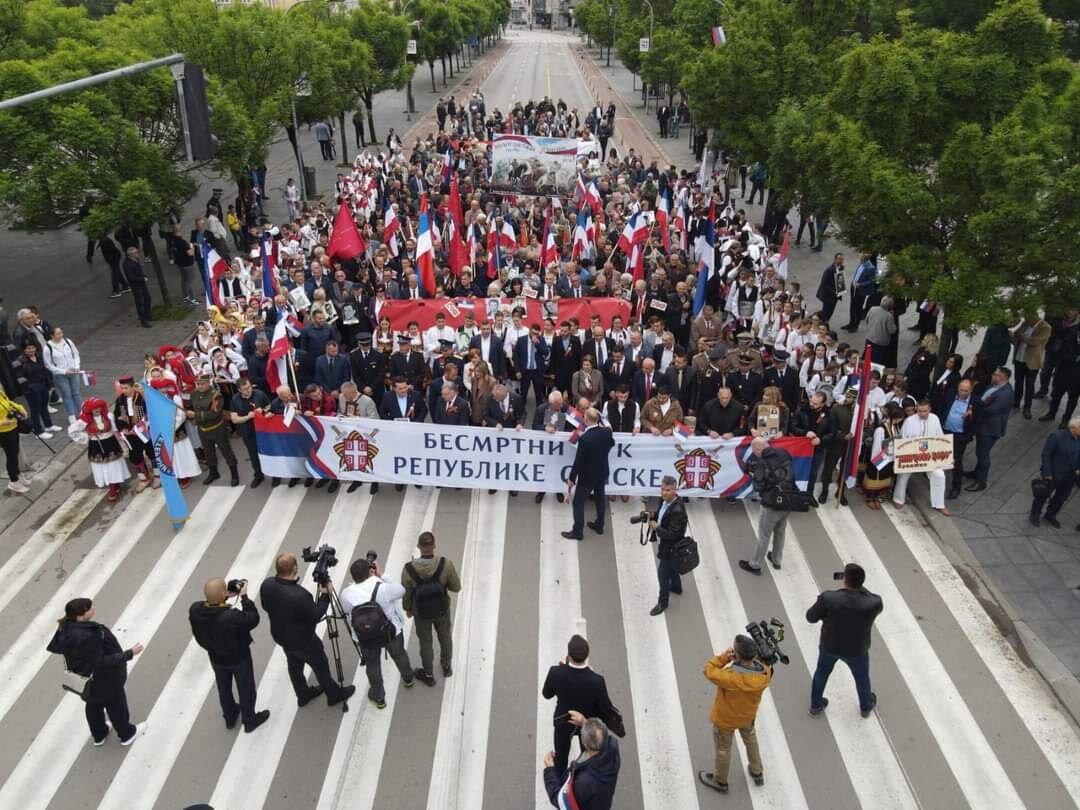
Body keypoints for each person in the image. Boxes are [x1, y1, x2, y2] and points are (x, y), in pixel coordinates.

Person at [259, 553, 355, 708]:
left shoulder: (267, 584)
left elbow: (265, 606)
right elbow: (316, 615)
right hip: (304, 640)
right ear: (295, 568)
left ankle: (302, 695)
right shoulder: (299, 595)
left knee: (294, 666)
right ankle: (334, 694)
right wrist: (325, 595)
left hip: (281, 636)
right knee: (320, 665)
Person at [46, 597, 145, 746]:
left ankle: (99, 734)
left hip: (84, 677)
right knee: (116, 704)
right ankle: (127, 734)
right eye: (90, 608)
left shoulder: (66, 628)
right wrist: (129, 654)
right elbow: (100, 661)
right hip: (104, 678)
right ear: (80, 615)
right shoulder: (88, 635)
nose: (93, 609)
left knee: (93, 704)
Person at [189, 577, 270, 733]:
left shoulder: (195, 610)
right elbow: (253, 618)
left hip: (216, 657)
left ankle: (230, 716)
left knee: (223, 687)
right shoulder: (230, 617)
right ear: (222, 594)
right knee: (246, 688)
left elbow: (212, 604)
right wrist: (244, 597)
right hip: (238, 657)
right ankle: (249, 720)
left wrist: (224, 596)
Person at [807, 562, 883, 718]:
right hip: (857, 650)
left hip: (830, 646)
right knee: (862, 678)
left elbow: (810, 617)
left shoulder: (828, 598)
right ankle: (865, 707)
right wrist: (857, 586)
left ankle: (815, 705)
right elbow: (867, 597)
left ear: (845, 580)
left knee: (822, 673)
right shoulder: (874, 602)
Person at [698, 634, 772, 794]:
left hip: (726, 720)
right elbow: (761, 662)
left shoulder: (731, 678)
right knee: (751, 740)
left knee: (723, 749)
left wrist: (725, 657)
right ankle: (757, 771)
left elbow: (708, 670)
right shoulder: (765, 671)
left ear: (737, 655)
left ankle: (720, 781)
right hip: (747, 716)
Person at [339, 554, 415, 709]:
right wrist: (382, 575)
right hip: (389, 632)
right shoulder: (382, 587)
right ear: (370, 571)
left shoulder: (347, 593)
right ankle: (408, 678)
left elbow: (347, 611)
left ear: (353, 577)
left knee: (372, 665)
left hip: (365, 637)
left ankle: (379, 697)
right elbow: (401, 590)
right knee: (399, 654)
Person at [541, 634, 617, 778]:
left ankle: (560, 781)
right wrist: (592, 675)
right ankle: (583, 778)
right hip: (586, 723)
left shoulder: (555, 672)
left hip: (564, 720)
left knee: (561, 754)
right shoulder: (597, 681)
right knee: (587, 754)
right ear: (587, 655)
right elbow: (605, 707)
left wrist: (560, 668)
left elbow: (547, 694)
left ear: (568, 655)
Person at [401, 531, 461, 685]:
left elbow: (407, 593)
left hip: (421, 612)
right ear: (434, 545)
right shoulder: (445, 564)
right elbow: (456, 587)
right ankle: (446, 666)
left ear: (419, 546)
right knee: (445, 636)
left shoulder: (409, 569)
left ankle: (428, 674)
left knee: (425, 642)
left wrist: (408, 608)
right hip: (442, 609)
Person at [739, 437, 795, 575]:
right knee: (780, 531)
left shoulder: (762, 464)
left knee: (764, 535)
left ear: (758, 448)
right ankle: (777, 560)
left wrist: (754, 475)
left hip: (772, 502)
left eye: (753, 450)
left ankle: (755, 564)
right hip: (789, 498)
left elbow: (758, 486)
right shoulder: (783, 452)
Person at [543, 714, 621, 810]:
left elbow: (560, 801)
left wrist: (549, 770)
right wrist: (584, 722)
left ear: (585, 744)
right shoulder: (612, 749)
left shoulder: (584, 782)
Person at [563, 408, 614, 540]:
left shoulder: (585, 439)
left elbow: (579, 461)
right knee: (600, 498)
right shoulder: (607, 432)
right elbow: (611, 444)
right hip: (602, 472)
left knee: (578, 503)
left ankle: (577, 531)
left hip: (588, 476)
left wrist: (571, 478)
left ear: (586, 419)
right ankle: (599, 525)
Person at [893, 400, 951, 516]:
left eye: (925, 411)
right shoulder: (909, 421)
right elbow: (904, 440)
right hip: (912, 456)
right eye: (920, 411)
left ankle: (939, 504)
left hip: (929, 457)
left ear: (930, 409)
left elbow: (940, 438)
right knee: (903, 475)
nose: (922, 413)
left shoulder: (935, 419)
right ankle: (898, 499)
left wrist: (947, 456)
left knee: (939, 475)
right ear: (916, 409)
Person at [67, 398, 131, 501]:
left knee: (114, 466)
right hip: (96, 446)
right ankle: (114, 485)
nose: (97, 410)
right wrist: (86, 436)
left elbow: (115, 430)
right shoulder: (84, 421)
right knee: (103, 467)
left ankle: (113, 487)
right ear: (89, 410)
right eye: (94, 408)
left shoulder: (108, 416)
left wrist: (123, 443)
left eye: (99, 407)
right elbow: (72, 431)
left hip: (111, 443)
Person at [966, 366, 1014, 492]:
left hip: (990, 429)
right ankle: (977, 472)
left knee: (983, 454)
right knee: (980, 451)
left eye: (995, 374)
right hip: (983, 425)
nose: (993, 375)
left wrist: (973, 409)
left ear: (1002, 377)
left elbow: (990, 411)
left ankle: (981, 480)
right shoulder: (994, 386)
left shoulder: (1005, 394)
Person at [187, 374, 239, 487]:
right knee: (209, 453)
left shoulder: (216, 395)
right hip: (203, 430)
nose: (199, 386)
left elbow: (214, 413)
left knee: (227, 452)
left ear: (208, 383)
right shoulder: (195, 394)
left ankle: (234, 474)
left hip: (217, 429)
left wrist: (195, 415)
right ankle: (213, 473)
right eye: (198, 384)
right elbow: (192, 406)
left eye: (202, 384)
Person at [647, 475, 688, 616]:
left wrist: (656, 527)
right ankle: (677, 587)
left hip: (671, 548)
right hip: (666, 545)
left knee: (663, 575)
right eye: (663, 489)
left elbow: (672, 534)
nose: (664, 493)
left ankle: (662, 603)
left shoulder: (678, 510)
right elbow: (659, 514)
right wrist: (650, 515)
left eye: (668, 490)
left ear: (675, 490)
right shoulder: (663, 501)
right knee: (673, 568)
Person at [1029, 418, 1080, 528]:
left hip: (1070, 476)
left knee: (1061, 498)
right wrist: (1047, 473)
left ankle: (1050, 515)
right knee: (1042, 496)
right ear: (1073, 427)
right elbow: (1046, 455)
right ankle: (1035, 514)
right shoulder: (1057, 436)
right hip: (1053, 474)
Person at [230, 377, 270, 488]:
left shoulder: (259, 394)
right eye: (245, 389)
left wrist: (262, 410)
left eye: (249, 387)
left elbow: (269, 406)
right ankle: (258, 475)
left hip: (263, 430)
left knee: (268, 452)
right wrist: (248, 417)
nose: (249, 390)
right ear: (239, 390)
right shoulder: (235, 399)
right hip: (248, 432)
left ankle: (275, 475)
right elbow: (234, 419)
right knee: (253, 455)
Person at [43, 326, 83, 423]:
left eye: (61, 333)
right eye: (58, 334)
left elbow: (76, 354)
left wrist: (77, 366)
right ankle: (71, 416)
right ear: (52, 335)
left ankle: (82, 413)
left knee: (76, 393)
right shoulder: (47, 348)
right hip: (60, 375)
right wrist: (63, 371)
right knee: (67, 395)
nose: (61, 335)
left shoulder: (68, 342)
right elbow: (48, 365)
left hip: (73, 371)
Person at [0, 387, 29, 494]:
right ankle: (14, 482)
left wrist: (20, 408)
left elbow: (8, 402)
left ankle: (18, 475)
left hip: (12, 427)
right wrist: (2, 422)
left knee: (15, 453)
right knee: (11, 456)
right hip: (3, 432)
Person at [122, 246, 154, 328]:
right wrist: (142, 279)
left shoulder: (135, 260)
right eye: (136, 252)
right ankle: (143, 321)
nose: (138, 253)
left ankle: (148, 315)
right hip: (136, 286)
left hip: (142, 284)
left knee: (148, 299)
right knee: (140, 303)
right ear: (131, 254)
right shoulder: (127, 264)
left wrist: (143, 276)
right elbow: (131, 277)